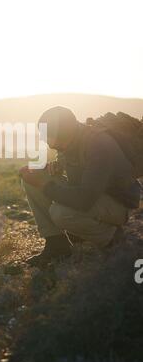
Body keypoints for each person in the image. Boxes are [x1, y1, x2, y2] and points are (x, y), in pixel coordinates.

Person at [20, 106, 141, 268]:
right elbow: (72, 166)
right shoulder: (71, 140)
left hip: (117, 205)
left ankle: (113, 240)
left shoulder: (99, 144)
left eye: (49, 138)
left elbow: (85, 200)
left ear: (64, 133)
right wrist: (46, 170)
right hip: (94, 197)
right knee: (30, 181)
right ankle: (57, 244)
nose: (49, 144)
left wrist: (44, 185)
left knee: (61, 213)